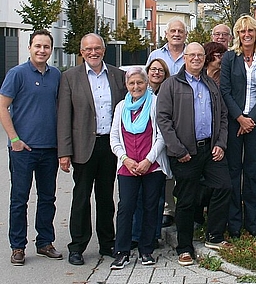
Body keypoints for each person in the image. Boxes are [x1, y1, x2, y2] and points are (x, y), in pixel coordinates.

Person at [156, 42, 231, 266]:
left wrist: (220, 143)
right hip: (185, 153)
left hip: (210, 149)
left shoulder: (211, 84)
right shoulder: (171, 84)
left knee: (224, 186)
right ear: (185, 58)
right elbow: (163, 120)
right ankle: (184, 247)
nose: (197, 59)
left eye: (200, 55)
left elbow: (223, 116)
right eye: (192, 55)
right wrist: (178, 150)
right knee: (186, 200)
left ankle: (214, 236)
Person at [57, 33, 127, 266]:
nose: (93, 52)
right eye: (88, 49)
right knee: (81, 197)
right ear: (82, 52)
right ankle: (77, 246)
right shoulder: (70, 78)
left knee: (106, 197)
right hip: (83, 147)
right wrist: (64, 152)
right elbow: (64, 117)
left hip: (110, 146)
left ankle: (107, 243)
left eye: (97, 48)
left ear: (104, 50)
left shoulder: (119, 76)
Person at [0, 30, 62, 265]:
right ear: (29, 48)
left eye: (46, 47)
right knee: (19, 199)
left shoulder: (56, 75)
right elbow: (2, 107)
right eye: (37, 46)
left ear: (51, 50)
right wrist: (14, 139)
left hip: (49, 148)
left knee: (47, 198)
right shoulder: (17, 74)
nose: (42, 50)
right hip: (23, 150)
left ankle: (45, 242)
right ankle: (18, 246)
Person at [109, 67, 170, 269]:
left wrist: (148, 160)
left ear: (146, 83)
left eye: (140, 83)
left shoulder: (155, 103)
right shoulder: (120, 107)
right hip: (128, 167)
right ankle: (122, 251)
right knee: (126, 208)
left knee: (150, 207)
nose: (136, 87)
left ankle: (146, 250)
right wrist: (125, 159)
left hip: (151, 166)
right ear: (126, 85)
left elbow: (162, 136)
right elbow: (114, 138)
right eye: (132, 83)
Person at [220, 16, 256, 238]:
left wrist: (250, 119)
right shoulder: (229, 58)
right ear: (238, 34)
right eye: (242, 31)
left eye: (250, 30)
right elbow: (225, 90)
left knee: (252, 173)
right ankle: (234, 224)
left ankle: (252, 223)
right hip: (235, 123)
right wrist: (240, 118)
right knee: (234, 172)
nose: (247, 35)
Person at [147, 19, 187, 227]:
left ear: (186, 35)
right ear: (166, 34)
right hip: (161, 113)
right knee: (164, 165)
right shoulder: (156, 56)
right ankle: (167, 209)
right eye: (173, 31)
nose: (177, 34)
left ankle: (186, 208)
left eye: (180, 31)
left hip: (184, 115)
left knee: (184, 165)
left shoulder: (190, 55)